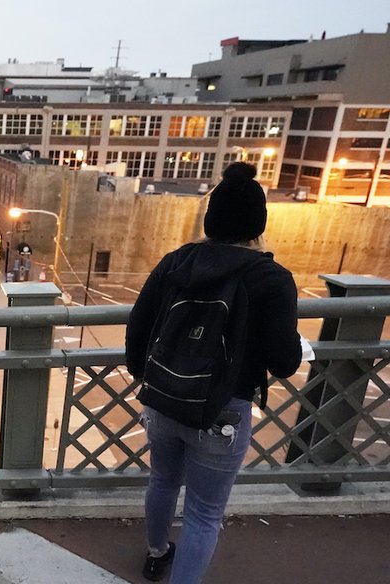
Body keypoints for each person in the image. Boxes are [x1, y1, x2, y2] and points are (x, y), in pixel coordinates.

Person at [125, 163, 302, 583]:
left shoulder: (177, 261)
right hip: (223, 411)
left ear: (211, 219)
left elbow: (139, 323)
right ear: (258, 224)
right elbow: (285, 361)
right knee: (204, 513)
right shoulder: (271, 279)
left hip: (164, 399)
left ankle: (156, 554)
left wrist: (145, 377)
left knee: (163, 480)